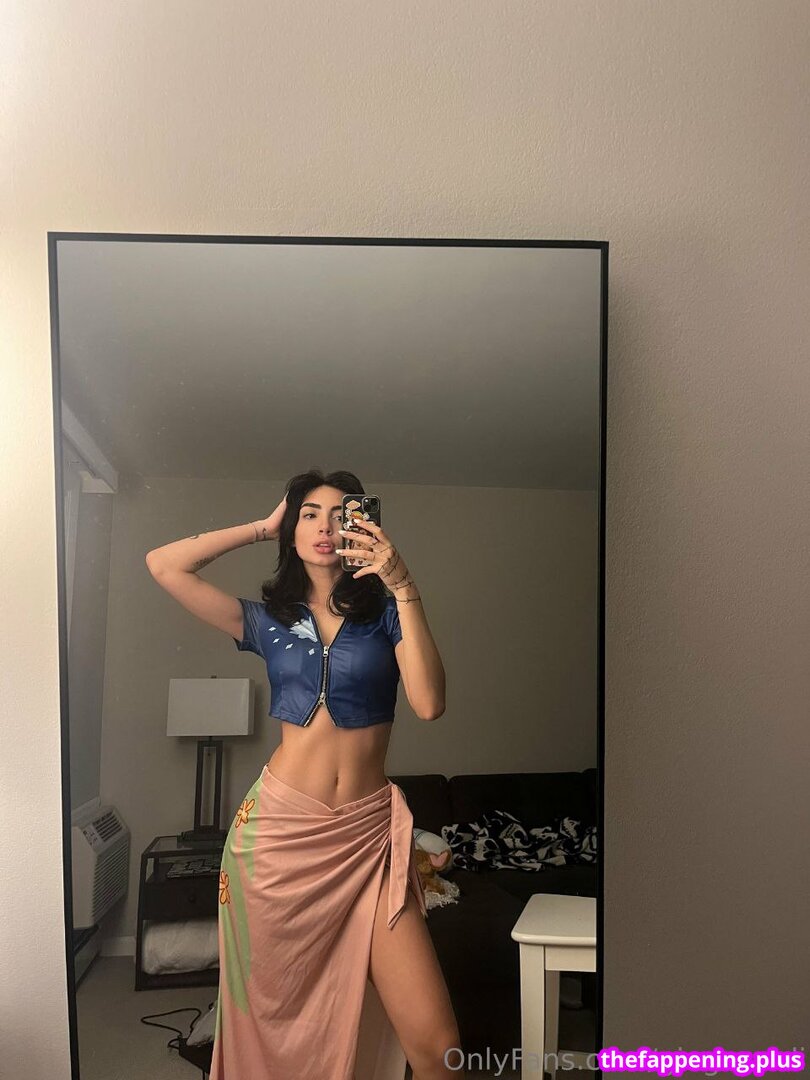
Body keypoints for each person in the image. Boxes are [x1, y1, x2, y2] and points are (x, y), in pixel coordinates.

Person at [145, 468, 464, 1080]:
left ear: (362, 526)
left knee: (437, 1043)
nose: (325, 526)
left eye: (342, 514)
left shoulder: (388, 614)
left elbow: (429, 704)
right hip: (279, 840)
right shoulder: (266, 619)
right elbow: (164, 565)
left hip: (368, 839)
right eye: (309, 514)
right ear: (292, 530)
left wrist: (403, 585)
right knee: (276, 1018)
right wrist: (263, 527)